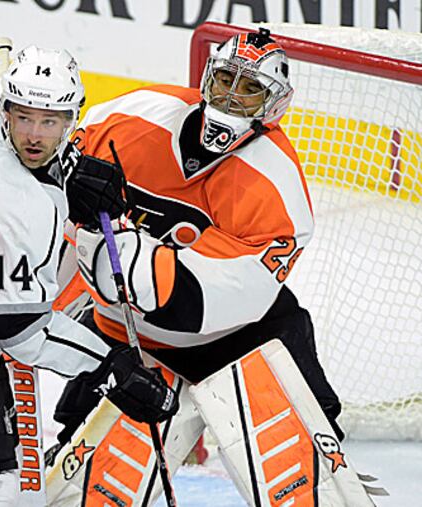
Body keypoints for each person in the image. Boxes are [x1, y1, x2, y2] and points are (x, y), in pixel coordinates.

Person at [62, 26, 345, 457]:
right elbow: (54, 164)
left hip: (229, 340)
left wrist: (157, 275)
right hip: (120, 329)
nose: (231, 95)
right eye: (225, 79)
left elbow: (237, 292)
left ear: (273, 104)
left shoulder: (275, 180)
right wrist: (68, 184)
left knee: (309, 453)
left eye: (250, 88)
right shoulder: (135, 115)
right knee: (73, 466)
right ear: (207, 76)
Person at [0, 45, 177, 505]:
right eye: (24, 118)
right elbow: (18, 331)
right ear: (8, 110)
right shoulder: (10, 207)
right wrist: (111, 368)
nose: (35, 135)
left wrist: (70, 172)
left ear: (72, 118)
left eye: (50, 120)